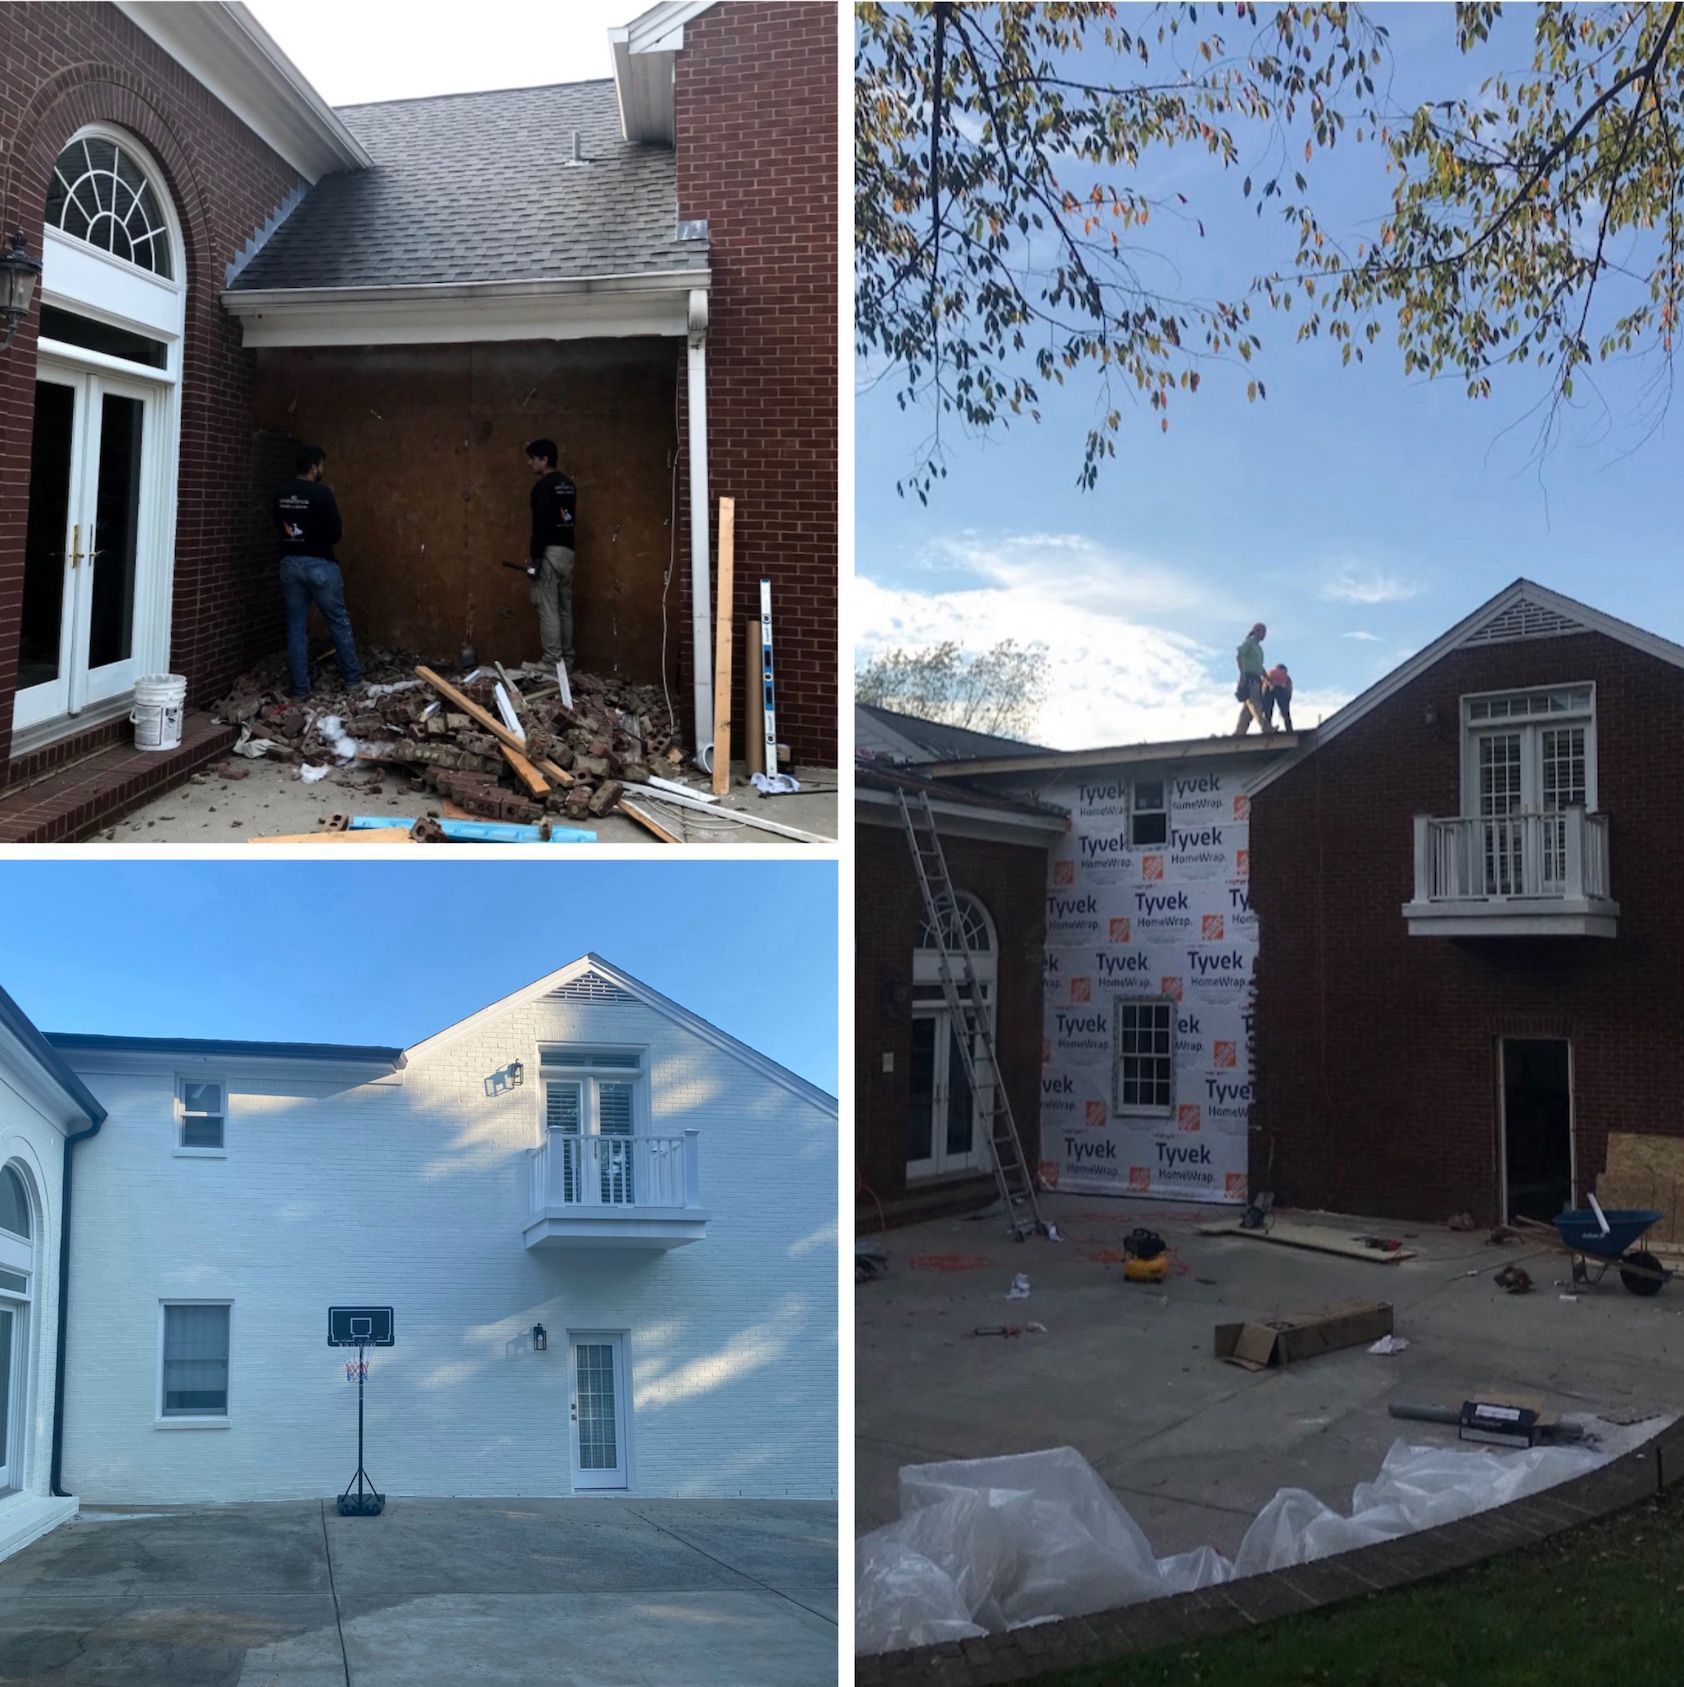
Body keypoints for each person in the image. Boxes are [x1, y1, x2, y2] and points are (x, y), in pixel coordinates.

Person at [273, 444, 363, 698]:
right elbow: (335, 534)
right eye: (321, 465)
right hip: (321, 564)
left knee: (296, 626)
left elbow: (278, 525)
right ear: (314, 467)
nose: (322, 469)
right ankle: (353, 681)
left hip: (290, 564)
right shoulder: (322, 494)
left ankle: (300, 690)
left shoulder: (281, 492)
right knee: (338, 622)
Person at [525, 438, 578, 667]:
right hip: (567, 552)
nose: (529, 463)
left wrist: (536, 557)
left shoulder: (543, 487)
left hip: (549, 553)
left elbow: (540, 525)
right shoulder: (568, 484)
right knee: (565, 608)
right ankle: (566, 659)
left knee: (547, 607)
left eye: (532, 458)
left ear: (544, 459)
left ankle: (551, 662)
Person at [1233, 622, 1270, 735]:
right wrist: (1242, 674)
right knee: (1254, 703)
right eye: (1262, 631)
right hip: (1249, 678)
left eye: (1265, 632)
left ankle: (1239, 732)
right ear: (1255, 631)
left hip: (1257, 678)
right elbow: (1239, 656)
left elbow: (1258, 666)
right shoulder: (1249, 643)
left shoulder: (1259, 649)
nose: (1264, 634)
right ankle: (1265, 726)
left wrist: (1267, 678)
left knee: (1247, 711)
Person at [1263, 661, 1294, 732]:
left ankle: (1267, 729)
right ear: (1284, 669)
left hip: (1267, 688)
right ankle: (1289, 729)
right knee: (1285, 712)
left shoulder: (1269, 672)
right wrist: (1287, 701)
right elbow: (1289, 688)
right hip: (1279, 688)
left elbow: (1263, 685)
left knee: (1268, 712)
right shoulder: (1285, 675)